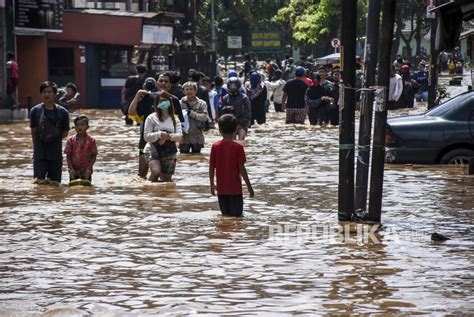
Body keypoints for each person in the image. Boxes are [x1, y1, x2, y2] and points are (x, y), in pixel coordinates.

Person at [209, 114, 254, 217]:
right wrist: (249, 187)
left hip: (221, 190)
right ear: (235, 130)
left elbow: (211, 167)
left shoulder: (215, 147)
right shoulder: (238, 147)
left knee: (225, 217)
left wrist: (212, 184)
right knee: (237, 218)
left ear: (219, 131)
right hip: (235, 190)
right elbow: (242, 169)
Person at [30, 81, 70, 183]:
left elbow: (65, 133)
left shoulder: (63, 112)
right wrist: (36, 149)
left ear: (55, 94)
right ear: (40, 94)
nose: (46, 94)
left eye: (49, 92)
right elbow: (33, 132)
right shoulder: (35, 111)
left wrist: (50, 137)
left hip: (55, 153)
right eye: (44, 92)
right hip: (40, 153)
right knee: (39, 182)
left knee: (55, 183)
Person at [143, 92, 182, 182]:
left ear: (170, 102)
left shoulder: (175, 118)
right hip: (153, 148)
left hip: (169, 150)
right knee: (156, 172)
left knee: (166, 179)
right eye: (161, 101)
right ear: (157, 104)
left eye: (166, 100)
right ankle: (148, 190)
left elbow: (179, 136)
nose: (164, 102)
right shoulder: (151, 118)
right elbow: (146, 136)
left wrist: (167, 137)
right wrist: (159, 134)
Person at [128, 77, 158, 178]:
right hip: (154, 139)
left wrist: (138, 94)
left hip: (149, 140)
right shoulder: (152, 98)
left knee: (142, 175)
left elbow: (131, 112)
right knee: (158, 175)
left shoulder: (147, 98)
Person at [65, 116, 98, 182]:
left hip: (86, 171)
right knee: (73, 189)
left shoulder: (91, 140)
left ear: (87, 127)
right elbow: (68, 156)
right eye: (77, 125)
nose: (79, 127)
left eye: (82, 125)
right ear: (75, 127)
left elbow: (94, 156)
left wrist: (89, 168)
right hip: (74, 171)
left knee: (87, 189)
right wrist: (71, 169)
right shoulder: (71, 140)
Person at [179, 81, 209, 153]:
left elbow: (205, 117)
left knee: (197, 156)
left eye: (191, 89)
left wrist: (191, 113)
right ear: (184, 91)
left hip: (197, 136)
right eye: (187, 89)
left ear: (195, 91)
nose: (189, 91)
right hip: (184, 137)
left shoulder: (202, 103)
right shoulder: (179, 103)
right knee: (183, 158)